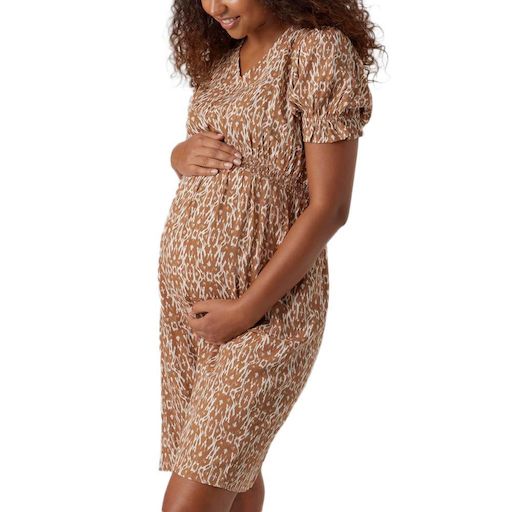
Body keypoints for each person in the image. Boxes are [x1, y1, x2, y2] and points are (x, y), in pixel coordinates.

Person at [158, 0, 384, 510]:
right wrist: (178, 154)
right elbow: (215, 157)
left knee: (191, 496)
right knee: (235, 478)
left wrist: (244, 310)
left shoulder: (317, 52)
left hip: (265, 316)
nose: (214, 6)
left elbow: (331, 208)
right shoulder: (221, 61)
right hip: (190, 320)